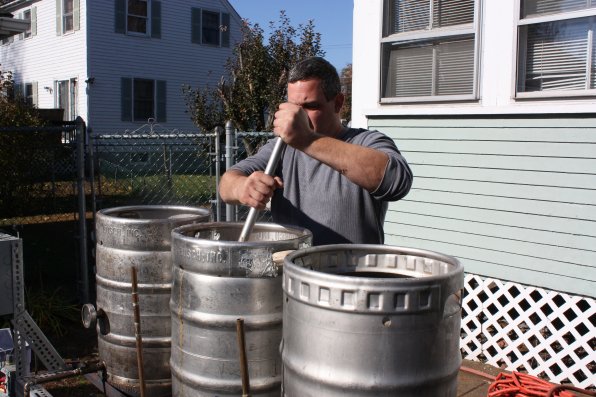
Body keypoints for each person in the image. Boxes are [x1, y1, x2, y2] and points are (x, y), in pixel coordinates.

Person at [219, 57, 413, 245]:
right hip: (293, 273)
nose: (298, 116)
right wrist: (243, 187)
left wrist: (307, 139)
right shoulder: (281, 148)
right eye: (293, 107)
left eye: (311, 106)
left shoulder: (367, 141)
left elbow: (396, 181)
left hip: (353, 275)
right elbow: (226, 183)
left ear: (337, 103)